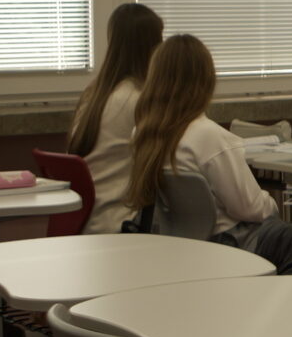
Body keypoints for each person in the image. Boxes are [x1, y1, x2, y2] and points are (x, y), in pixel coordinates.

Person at [114, 34, 283, 239]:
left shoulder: (142, 135)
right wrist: (274, 206)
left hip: (179, 242)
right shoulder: (209, 136)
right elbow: (251, 208)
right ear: (205, 81)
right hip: (229, 241)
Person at [66, 1, 162, 234]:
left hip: (90, 221)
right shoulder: (137, 100)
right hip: (122, 223)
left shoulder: (95, 95)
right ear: (152, 47)